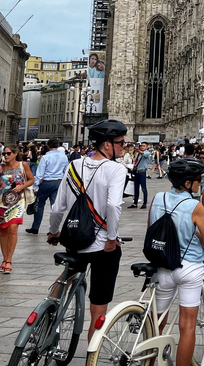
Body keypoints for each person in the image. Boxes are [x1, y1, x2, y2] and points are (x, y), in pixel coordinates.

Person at [48, 120, 128, 340]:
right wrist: (111, 238)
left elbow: (58, 207)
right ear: (107, 145)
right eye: (121, 142)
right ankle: (92, 353)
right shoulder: (116, 169)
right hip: (102, 245)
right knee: (98, 307)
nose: (124, 147)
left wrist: (53, 231)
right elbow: (112, 206)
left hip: (75, 238)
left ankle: (46, 312)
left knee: (68, 275)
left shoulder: (74, 165)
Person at [148, 158, 204, 366]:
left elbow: (151, 228)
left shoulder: (158, 198)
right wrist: (198, 235)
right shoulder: (195, 205)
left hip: (163, 266)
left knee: (156, 322)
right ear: (188, 184)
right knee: (187, 326)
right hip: (189, 269)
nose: (200, 183)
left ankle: (149, 361)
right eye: (198, 180)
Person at [1, 145, 35, 273]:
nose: (6, 156)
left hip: (18, 201)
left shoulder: (23, 165)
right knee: (3, 231)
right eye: (4, 153)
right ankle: (4, 259)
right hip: (2, 201)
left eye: (8, 153)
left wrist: (21, 187)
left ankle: (9, 260)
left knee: (13, 229)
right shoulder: (1, 167)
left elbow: (31, 180)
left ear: (15, 153)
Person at [28, 138, 69, 234]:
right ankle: (54, 229)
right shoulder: (64, 157)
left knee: (39, 204)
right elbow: (66, 171)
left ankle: (35, 227)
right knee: (55, 206)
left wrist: (35, 186)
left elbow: (40, 172)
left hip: (47, 182)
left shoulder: (45, 157)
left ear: (48, 146)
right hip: (58, 182)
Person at [130, 142, 151, 209]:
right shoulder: (138, 153)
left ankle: (144, 203)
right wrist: (136, 154)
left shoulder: (147, 153)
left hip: (142, 172)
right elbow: (135, 161)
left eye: (144, 146)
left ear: (147, 147)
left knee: (143, 188)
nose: (142, 147)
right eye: (141, 146)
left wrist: (137, 150)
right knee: (136, 188)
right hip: (137, 172)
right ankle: (135, 203)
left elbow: (144, 154)